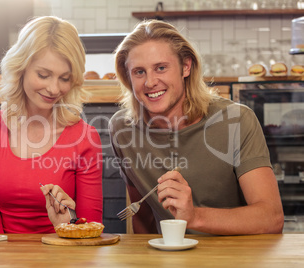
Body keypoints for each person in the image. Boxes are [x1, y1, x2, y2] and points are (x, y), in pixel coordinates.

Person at [109, 19, 284, 235]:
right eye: (139, 72)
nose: (150, 82)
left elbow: (271, 218)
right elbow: (142, 214)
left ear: (186, 66)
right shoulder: (122, 129)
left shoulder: (237, 120)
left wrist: (194, 216)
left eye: (161, 68)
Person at [0, 16, 103, 234]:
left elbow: (89, 231)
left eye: (64, 78)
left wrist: (67, 223)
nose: (54, 89)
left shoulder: (85, 137)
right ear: (20, 68)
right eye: (43, 75)